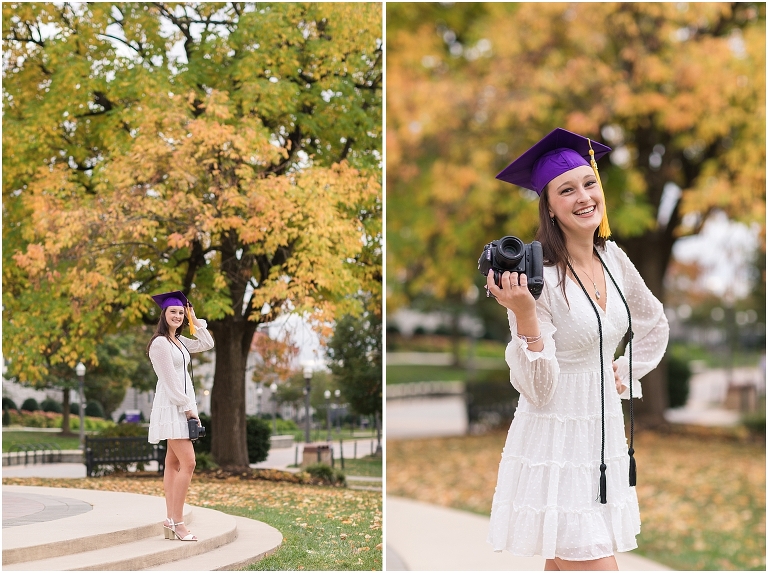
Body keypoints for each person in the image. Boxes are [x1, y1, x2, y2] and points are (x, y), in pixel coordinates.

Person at [486, 128, 669, 570]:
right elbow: (539, 389)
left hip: (601, 435)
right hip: (557, 439)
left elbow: (654, 323)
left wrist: (625, 371)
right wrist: (525, 315)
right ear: (549, 206)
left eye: (589, 183)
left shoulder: (615, 259)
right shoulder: (539, 280)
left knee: (565, 564)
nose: (584, 196)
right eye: (566, 190)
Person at [147, 290, 215, 542]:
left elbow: (207, 343)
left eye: (180, 312)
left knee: (174, 464)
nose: (176, 316)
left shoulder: (180, 341)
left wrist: (195, 321)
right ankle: (178, 522)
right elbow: (170, 381)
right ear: (163, 314)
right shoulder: (160, 344)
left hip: (182, 405)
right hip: (173, 407)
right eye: (172, 312)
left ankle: (169, 519)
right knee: (189, 463)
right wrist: (188, 409)